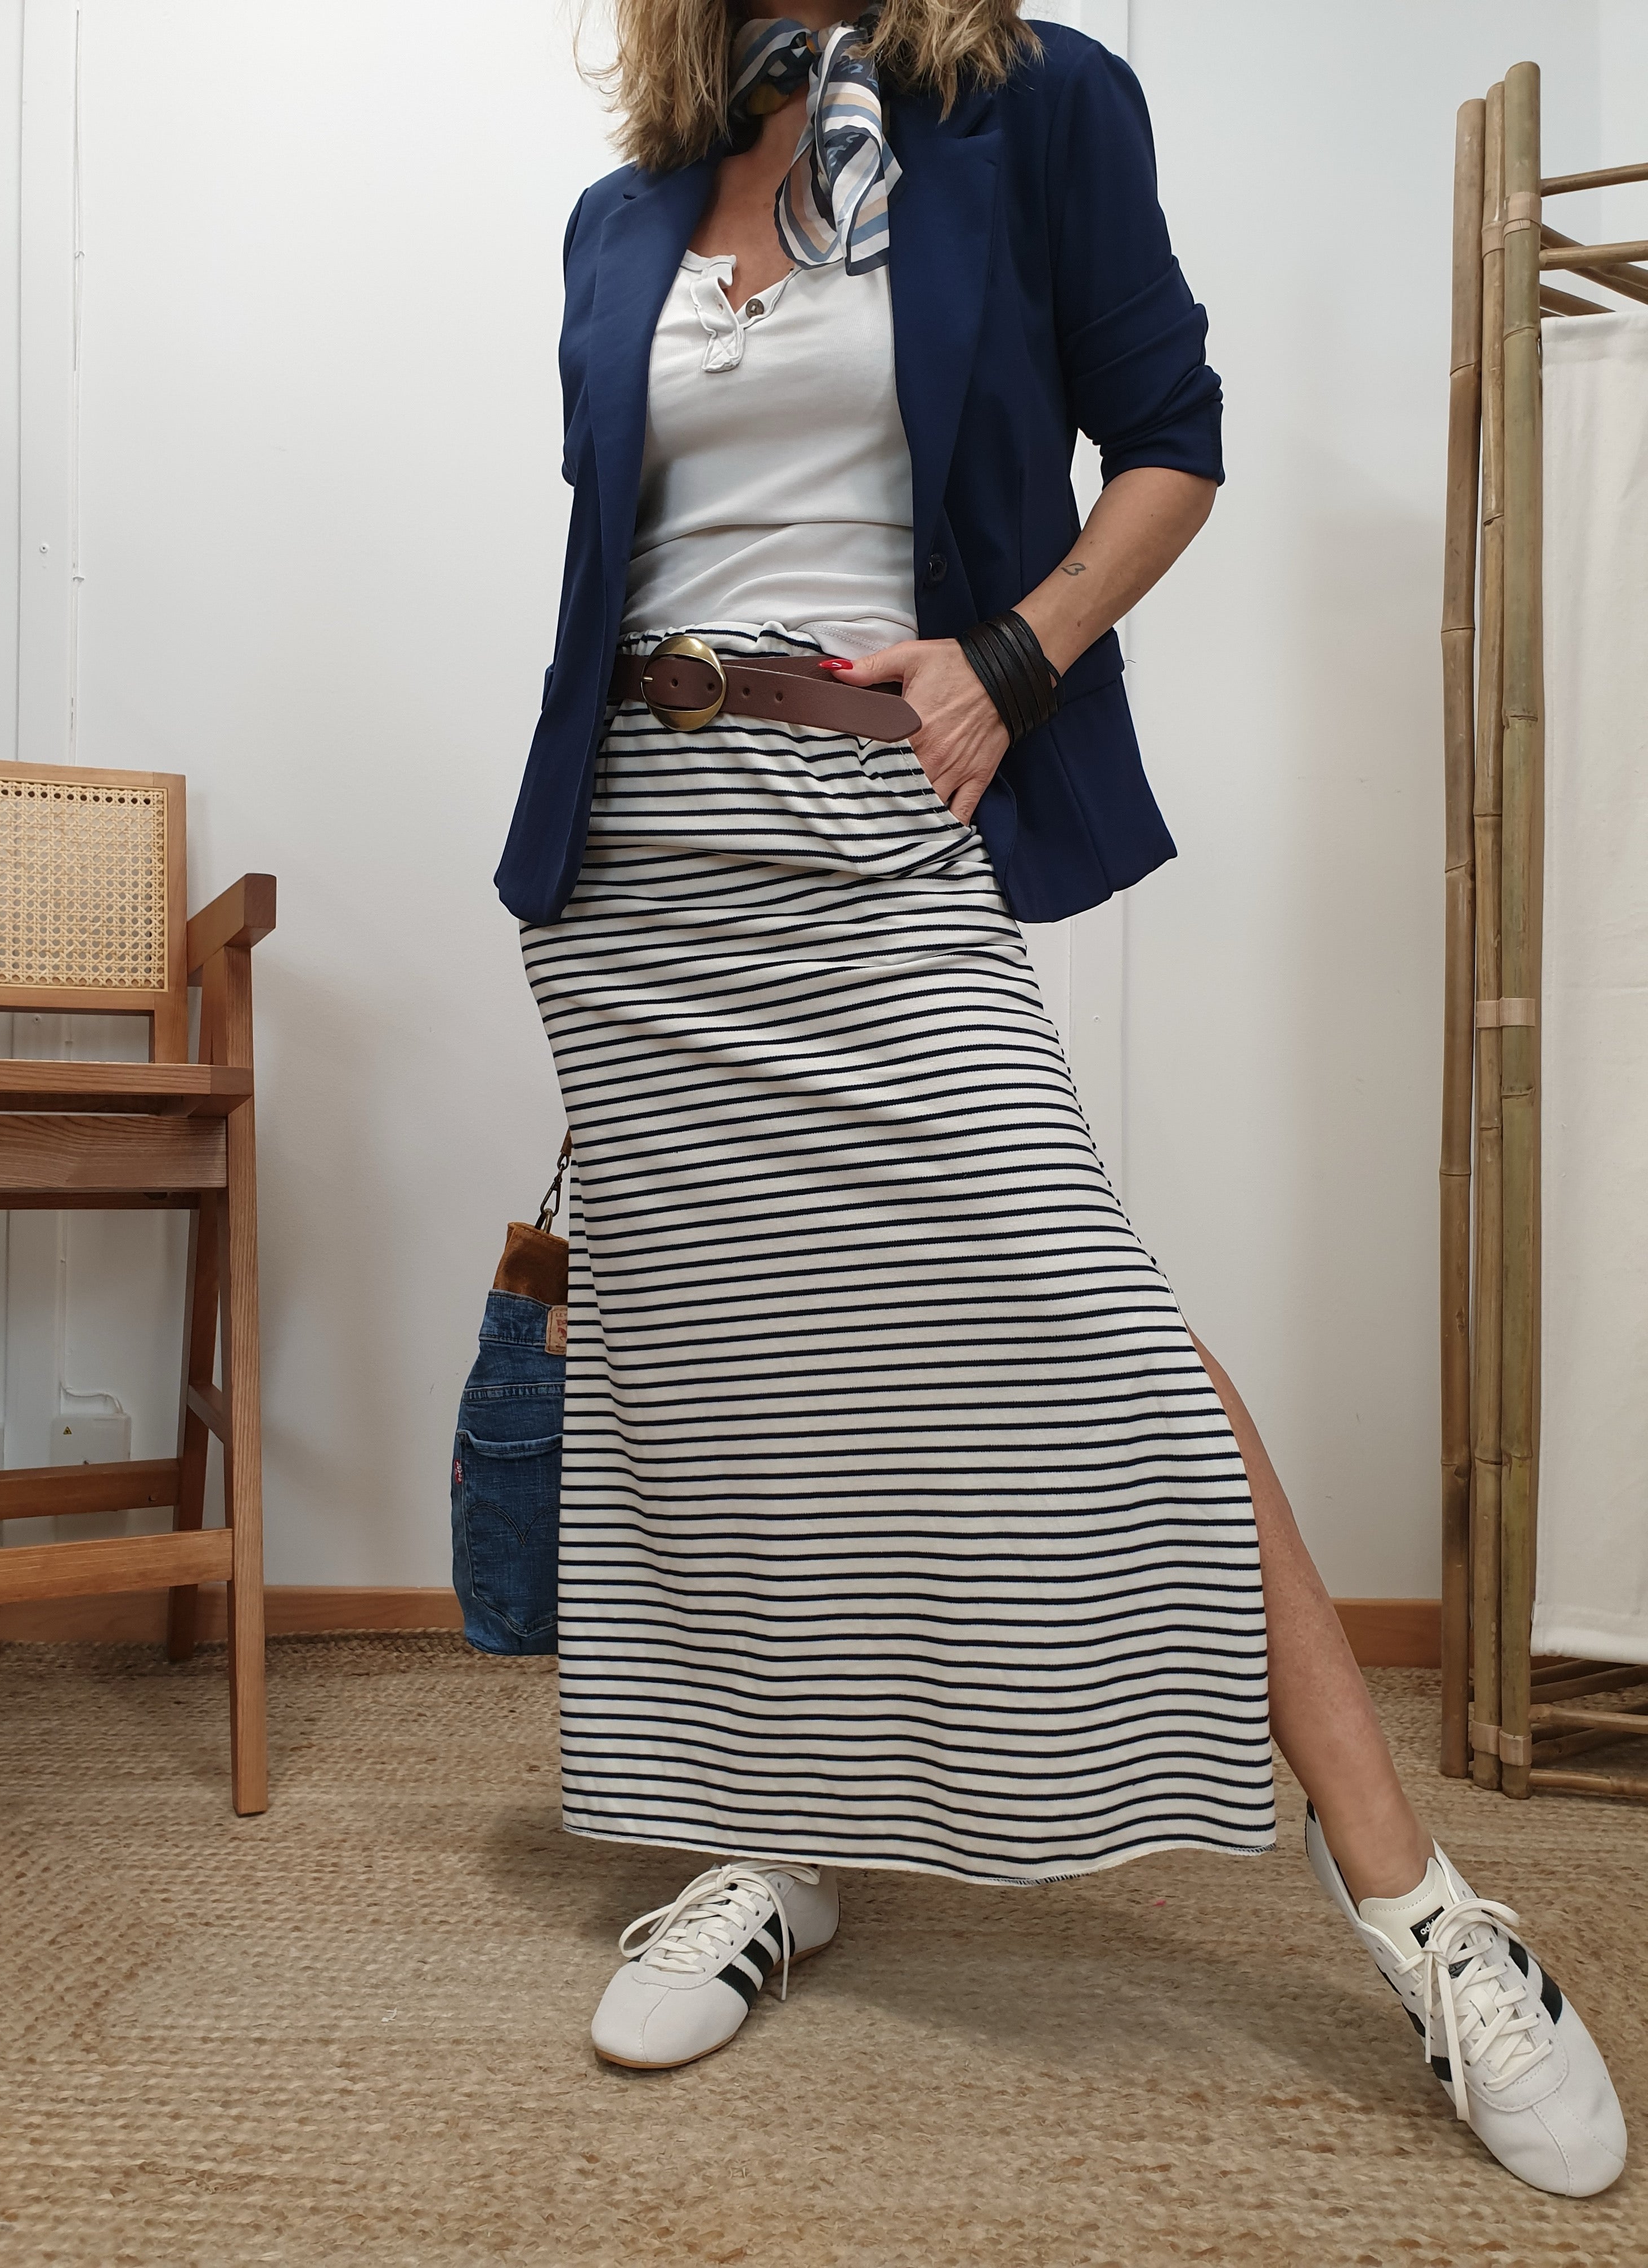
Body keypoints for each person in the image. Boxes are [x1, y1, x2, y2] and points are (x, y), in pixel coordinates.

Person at [497, 1, 1625, 2196]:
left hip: (874, 826)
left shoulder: (1033, 103)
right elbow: (623, 545)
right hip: (638, 863)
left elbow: (1172, 441)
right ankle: (778, 1844)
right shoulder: (627, 204)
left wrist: (1010, 662)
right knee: (739, 1374)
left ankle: (1427, 1914)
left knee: (1095, 1339)